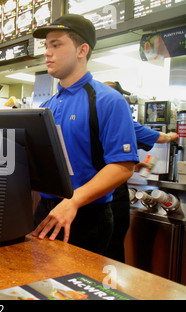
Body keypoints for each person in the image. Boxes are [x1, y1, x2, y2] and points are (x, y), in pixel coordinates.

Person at [31, 14, 139, 256]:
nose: (47, 52)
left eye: (56, 45)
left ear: (82, 50)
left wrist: (73, 202)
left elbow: (123, 166)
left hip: (86, 216)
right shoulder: (47, 106)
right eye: (46, 46)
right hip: (46, 211)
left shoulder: (108, 100)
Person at [104, 81, 179, 262]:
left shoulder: (91, 117)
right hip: (112, 194)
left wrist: (133, 165)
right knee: (112, 249)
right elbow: (158, 137)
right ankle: (109, 287)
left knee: (98, 249)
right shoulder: (120, 118)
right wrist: (173, 136)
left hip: (91, 195)